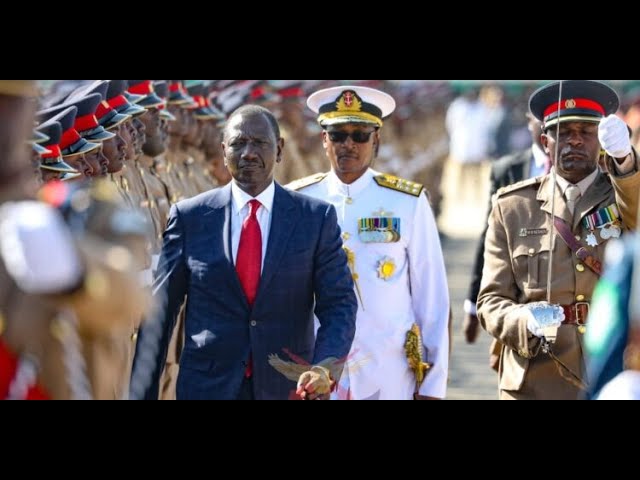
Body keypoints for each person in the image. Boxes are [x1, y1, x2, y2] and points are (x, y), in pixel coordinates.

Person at [132, 104, 357, 400]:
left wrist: (324, 369)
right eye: (238, 143)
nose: (248, 153)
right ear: (224, 151)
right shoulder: (191, 217)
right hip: (208, 388)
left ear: (279, 149)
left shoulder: (314, 219)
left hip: (288, 388)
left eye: (259, 143)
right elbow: (159, 312)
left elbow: (339, 304)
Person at [478, 80, 640, 400]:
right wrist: (523, 319)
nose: (575, 141)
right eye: (563, 132)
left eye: (586, 132)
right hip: (534, 377)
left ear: (602, 141)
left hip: (606, 371)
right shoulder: (512, 206)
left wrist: (626, 161)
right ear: (545, 141)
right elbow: (491, 301)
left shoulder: (624, 196)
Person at [288, 85, 450, 400]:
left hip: (388, 368)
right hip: (314, 369)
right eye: (337, 135)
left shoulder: (406, 202)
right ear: (324, 140)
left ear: (376, 139)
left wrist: (432, 385)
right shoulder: (298, 199)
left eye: (359, 135)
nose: (348, 144)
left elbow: (432, 299)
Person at [463, 114, 548, 370]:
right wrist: (472, 303)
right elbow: (488, 236)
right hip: (517, 296)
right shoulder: (507, 168)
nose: (546, 127)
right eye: (540, 120)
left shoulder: (582, 169)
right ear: (528, 122)